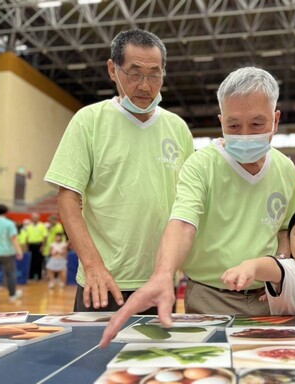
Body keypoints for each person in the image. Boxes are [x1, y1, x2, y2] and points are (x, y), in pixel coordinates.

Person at [100, 66, 295, 347]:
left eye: (257, 124)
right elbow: (183, 223)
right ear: (221, 121)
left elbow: (286, 229)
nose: (244, 135)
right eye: (233, 125)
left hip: (268, 297)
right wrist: (163, 275)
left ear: (276, 119)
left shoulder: (286, 169)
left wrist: (279, 268)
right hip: (209, 296)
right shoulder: (201, 164)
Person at [45, 29, 194, 312]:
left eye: (154, 75)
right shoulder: (88, 121)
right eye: (134, 73)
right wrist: (93, 266)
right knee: (93, 356)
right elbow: (67, 199)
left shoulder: (178, 128)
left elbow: (188, 204)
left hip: (159, 282)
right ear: (113, 70)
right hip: (102, 281)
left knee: (154, 356)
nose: (145, 85)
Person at [25, 213, 48, 280]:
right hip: (31, 245)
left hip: (39, 245)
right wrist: (27, 246)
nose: (34, 219)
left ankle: (39, 276)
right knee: (31, 261)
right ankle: (31, 276)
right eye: (33, 218)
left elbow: (45, 237)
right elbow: (26, 237)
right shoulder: (29, 226)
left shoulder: (42, 226)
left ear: (38, 218)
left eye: (36, 218)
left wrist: (43, 246)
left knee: (38, 261)